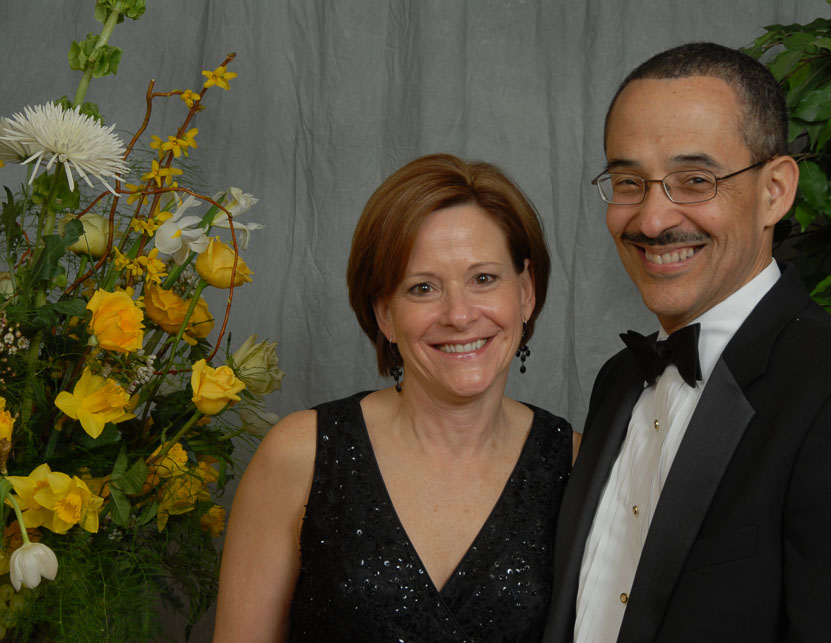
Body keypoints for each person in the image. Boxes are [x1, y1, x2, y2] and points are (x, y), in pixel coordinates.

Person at [543, 42, 831, 642]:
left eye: (695, 180)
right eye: (629, 182)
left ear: (775, 191)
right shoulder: (619, 380)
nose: (652, 220)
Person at [215, 153, 579, 642]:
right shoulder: (300, 455)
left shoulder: (578, 464)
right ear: (384, 313)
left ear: (527, 291)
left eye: (483, 279)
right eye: (423, 287)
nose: (459, 315)